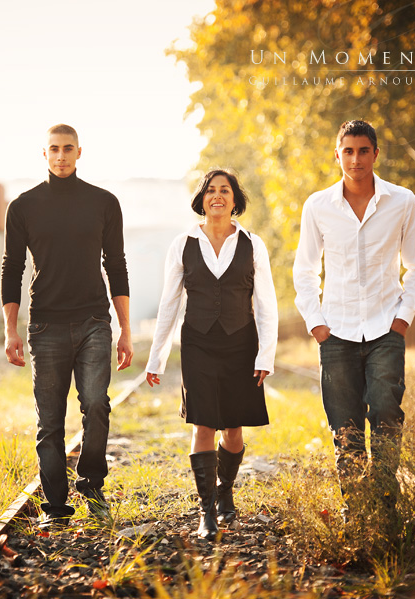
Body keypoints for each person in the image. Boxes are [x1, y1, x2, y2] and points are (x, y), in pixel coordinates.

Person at [292, 119, 415, 520]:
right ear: (337, 155)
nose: (355, 159)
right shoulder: (317, 207)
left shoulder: (403, 202)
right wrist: (316, 323)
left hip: (386, 327)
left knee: (386, 413)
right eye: (348, 151)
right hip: (335, 332)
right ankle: (357, 511)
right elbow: (304, 270)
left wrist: (402, 319)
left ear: (375, 154)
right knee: (345, 424)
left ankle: (386, 506)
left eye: (363, 150)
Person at [0, 124, 133, 530]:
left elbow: (117, 265)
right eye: (54, 149)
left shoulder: (104, 202)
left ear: (79, 152)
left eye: (68, 149)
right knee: (50, 420)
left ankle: (92, 485)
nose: (61, 156)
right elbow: (12, 268)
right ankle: (55, 507)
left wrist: (126, 329)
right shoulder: (23, 207)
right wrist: (11, 328)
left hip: (95, 320)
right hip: (45, 325)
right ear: (44, 154)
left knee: (96, 404)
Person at [145, 169, 278, 540]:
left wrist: (265, 356)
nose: (217, 196)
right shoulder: (182, 243)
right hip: (198, 343)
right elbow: (169, 303)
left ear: (236, 200)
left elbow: (266, 304)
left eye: (225, 190)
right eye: (211, 190)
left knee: (233, 430)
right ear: (202, 198)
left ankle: (225, 490)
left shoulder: (254, 244)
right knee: (203, 424)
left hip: (241, 343)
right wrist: (156, 358)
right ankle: (207, 513)